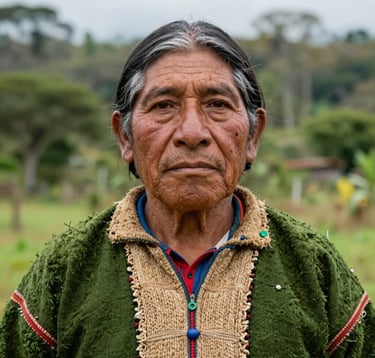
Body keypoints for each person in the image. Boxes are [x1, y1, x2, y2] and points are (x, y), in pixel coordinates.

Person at [0, 20, 374, 358]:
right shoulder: (67, 268)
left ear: (253, 136)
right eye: (164, 105)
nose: (192, 133)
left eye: (217, 104)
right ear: (124, 137)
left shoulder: (313, 265)